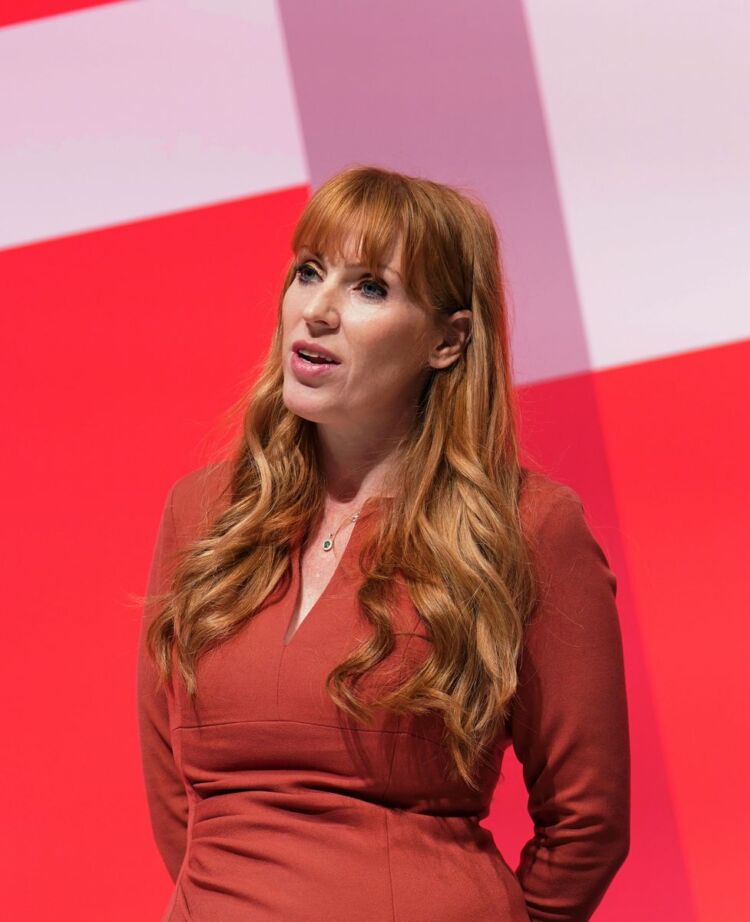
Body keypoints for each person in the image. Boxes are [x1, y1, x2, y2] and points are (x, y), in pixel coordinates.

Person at [137, 167, 629, 921]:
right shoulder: (203, 512)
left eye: (370, 288)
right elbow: (178, 792)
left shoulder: (527, 526)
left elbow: (587, 820)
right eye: (309, 273)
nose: (318, 311)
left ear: (447, 340)